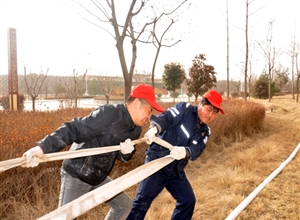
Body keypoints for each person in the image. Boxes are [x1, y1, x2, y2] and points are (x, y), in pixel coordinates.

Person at [22, 84, 164, 220]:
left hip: (99, 177)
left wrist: (126, 153)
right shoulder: (109, 113)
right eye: (149, 110)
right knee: (64, 217)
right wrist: (41, 148)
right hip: (77, 174)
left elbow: (121, 156)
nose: (149, 116)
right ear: (137, 103)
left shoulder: (136, 130)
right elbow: (73, 129)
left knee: (124, 206)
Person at [127, 90, 224, 220]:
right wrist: (154, 128)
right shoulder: (185, 109)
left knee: (188, 201)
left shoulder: (206, 132)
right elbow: (166, 117)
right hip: (157, 163)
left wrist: (185, 152)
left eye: (214, 112)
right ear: (201, 103)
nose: (210, 115)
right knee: (142, 203)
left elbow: (197, 149)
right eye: (209, 109)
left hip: (175, 170)